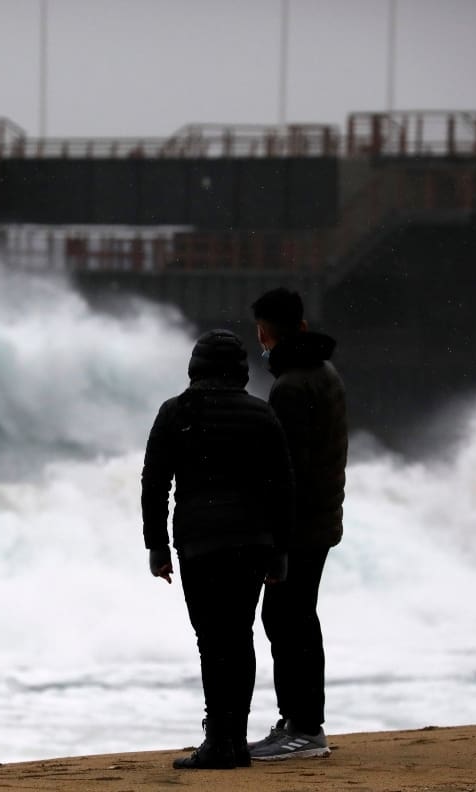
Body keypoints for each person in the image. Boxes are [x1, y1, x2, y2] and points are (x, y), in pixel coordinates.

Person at [141, 329, 294, 770]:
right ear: (241, 370)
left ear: (195, 368)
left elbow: (155, 483)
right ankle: (236, 740)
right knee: (240, 636)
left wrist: (156, 547)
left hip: (201, 543)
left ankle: (218, 743)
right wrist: (280, 550)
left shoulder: (175, 412)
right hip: (252, 543)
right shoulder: (261, 415)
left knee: (212, 640)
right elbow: (283, 488)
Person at [247, 288, 347, 762]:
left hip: (300, 525)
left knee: (287, 618)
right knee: (295, 616)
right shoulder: (325, 373)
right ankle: (298, 722)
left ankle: (305, 729)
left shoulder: (289, 387)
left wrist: (274, 541)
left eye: (260, 334)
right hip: (322, 517)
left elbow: (284, 473)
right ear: (302, 327)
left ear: (265, 333)